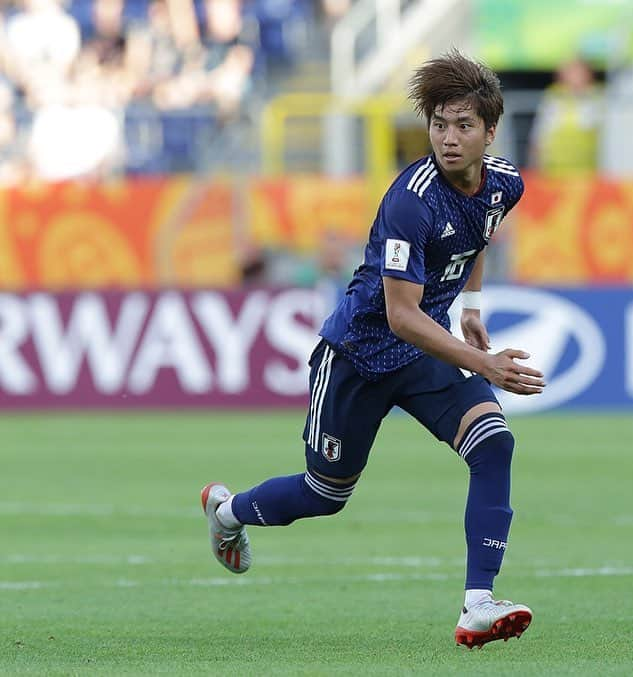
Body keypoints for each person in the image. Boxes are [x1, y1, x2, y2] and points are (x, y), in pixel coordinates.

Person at [200, 50, 544, 649]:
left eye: (464, 125)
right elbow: (401, 316)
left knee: (494, 444)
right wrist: (484, 363)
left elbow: (479, 234)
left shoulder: (505, 182)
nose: (449, 138)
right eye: (439, 124)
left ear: (491, 132)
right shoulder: (411, 201)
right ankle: (226, 513)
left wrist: (471, 309)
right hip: (360, 355)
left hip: (425, 352)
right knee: (324, 494)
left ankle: (478, 604)